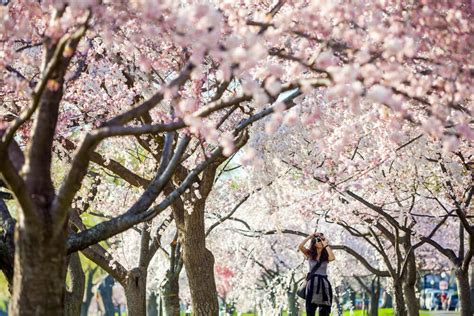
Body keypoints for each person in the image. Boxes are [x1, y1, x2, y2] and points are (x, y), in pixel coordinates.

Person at [298, 232, 336, 316]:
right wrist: (310, 236)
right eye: (318, 240)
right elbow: (300, 246)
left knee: (324, 310)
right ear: (314, 244)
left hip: (324, 284)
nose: (320, 242)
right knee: (310, 310)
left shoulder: (326, 256)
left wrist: (325, 244)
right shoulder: (309, 254)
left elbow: (332, 258)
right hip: (311, 284)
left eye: (321, 240)